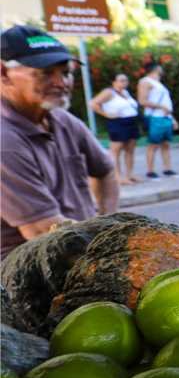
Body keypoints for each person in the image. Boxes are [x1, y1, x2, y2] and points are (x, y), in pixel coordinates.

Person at [1, 26, 119, 258]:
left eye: (65, 73)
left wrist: (106, 222)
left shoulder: (61, 119)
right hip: (26, 274)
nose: (61, 83)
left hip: (81, 252)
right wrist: (108, 245)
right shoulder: (5, 140)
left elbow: (105, 171)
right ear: (3, 73)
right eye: (46, 73)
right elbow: (43, 230)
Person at [90, 72, 141, 184]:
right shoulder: (108, 92)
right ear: (114, 82)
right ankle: (117, 176)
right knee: (116, 150)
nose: (124, 83)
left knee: (130, 149)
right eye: (121, 80)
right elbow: (93, 104)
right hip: (118, 122)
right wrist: (106, 114)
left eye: (126, 80)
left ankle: (130, 174)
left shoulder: (126, 93)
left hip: (131, 121)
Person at [137, 62, 177, 179]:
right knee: (153, 144)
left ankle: (167, 169)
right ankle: (150, 171)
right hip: (155, 117)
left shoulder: (158, 83)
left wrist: (172, 118)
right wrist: (161, 108)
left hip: (165, 117)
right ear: (155, 69)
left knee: (166, 144)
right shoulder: (145, 82)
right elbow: (142, 101)